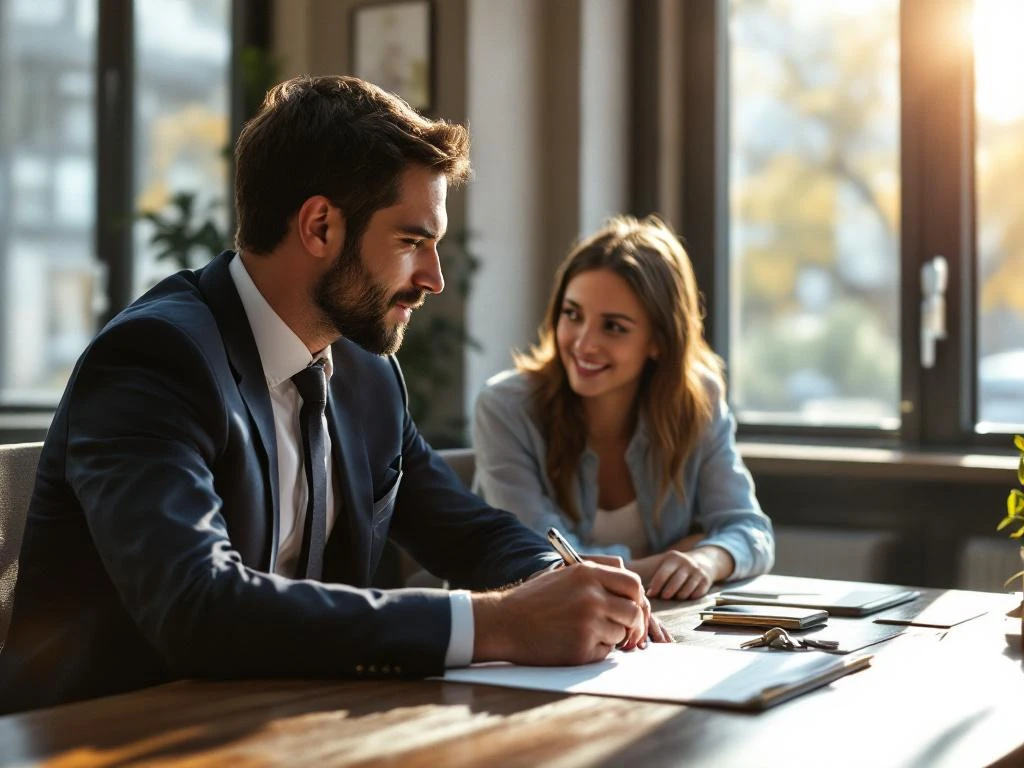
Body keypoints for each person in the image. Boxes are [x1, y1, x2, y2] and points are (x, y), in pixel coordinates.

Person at [0, 76, 669, 715]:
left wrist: (565, 583)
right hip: (108, 736)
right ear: (320, 227)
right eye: (412, 241)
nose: (434, 279)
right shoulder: (155, 361)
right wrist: (496, 624)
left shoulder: (363, 373)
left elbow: (463, 529)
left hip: (286, 718)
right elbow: (197, 605)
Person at [472, 215, 774, 603]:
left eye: (613, 327)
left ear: (659, 341)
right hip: (521, 631)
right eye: (573, 314)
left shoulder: (698, 401)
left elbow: (750, 530)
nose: (583, 343)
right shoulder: (505, 408)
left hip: (650, 628)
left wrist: (707, 559)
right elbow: (541, 563)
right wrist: (666, 560)